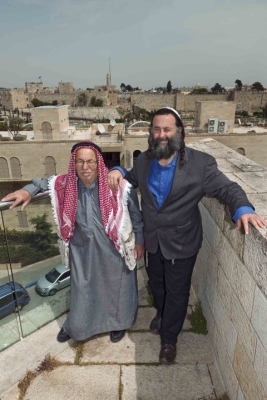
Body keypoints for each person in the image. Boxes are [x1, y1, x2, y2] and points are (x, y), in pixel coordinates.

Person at [107, 107, 266, 364]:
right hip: (152, 240)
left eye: (167, 129)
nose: (161, 135)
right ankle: (161, 313)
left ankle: (170, 339)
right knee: (157, 285)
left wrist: (243, 209)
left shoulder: (201, 164)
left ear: (179, 131)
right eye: (156, 129)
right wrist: (119, 172)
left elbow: (228, 188)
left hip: (182, 243)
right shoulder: (144, 160)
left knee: (178, 292)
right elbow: (132, 177)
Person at [2, 141, 145, 344]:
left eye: (90, 161)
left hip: (113, 250)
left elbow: (136, 216)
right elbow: (42, 183)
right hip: (82, 250)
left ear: (98, 162)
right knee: (83, 288)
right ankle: (78, 326)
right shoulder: (65, 185)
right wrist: (26, 191)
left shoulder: (118, 185)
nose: (85, 167)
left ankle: (119, 323)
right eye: (80, 161)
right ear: (73, 163)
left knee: (117, 287)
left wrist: (139, 242)